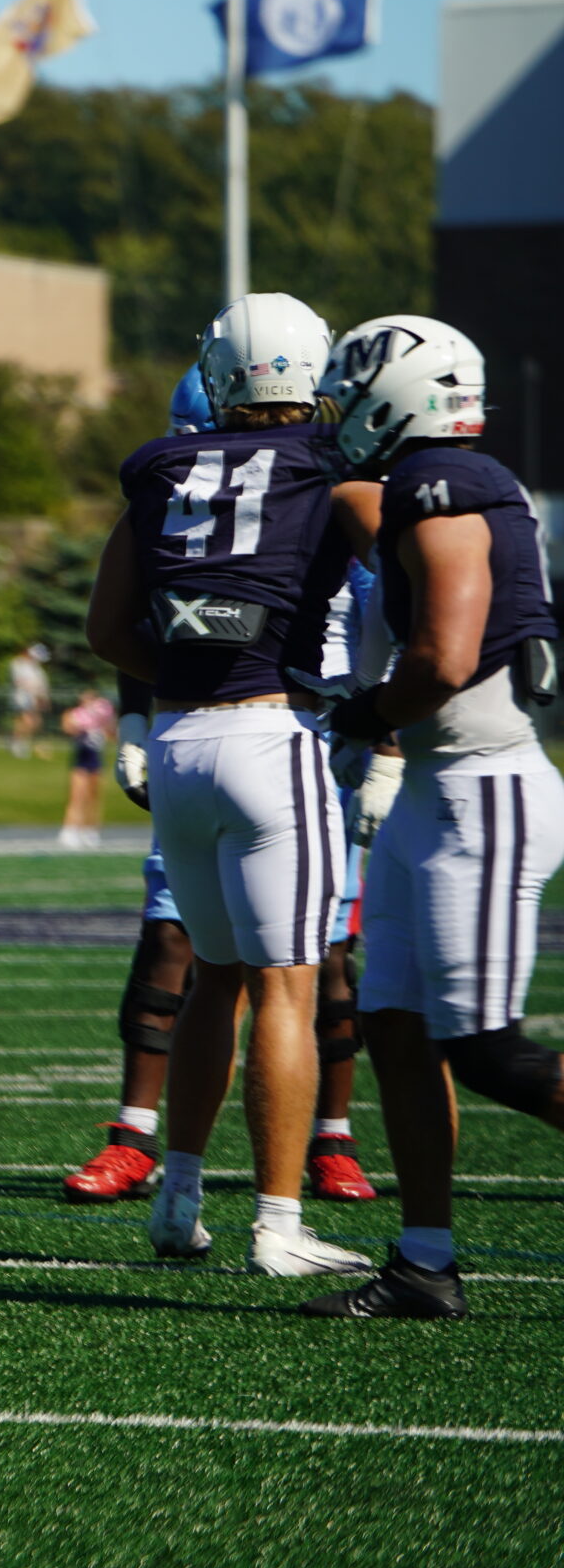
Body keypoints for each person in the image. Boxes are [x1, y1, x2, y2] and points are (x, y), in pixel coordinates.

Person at [85, 293, 378, 1275]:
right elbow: (401, 566)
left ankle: (177, 1199)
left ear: (217, 373)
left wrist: (181, 676)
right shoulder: (330, 465)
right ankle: (279, 1224)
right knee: (287, 987)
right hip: (271, 737)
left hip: (177, 744)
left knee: (214, 977)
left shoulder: (158, 469)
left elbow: (105, 627)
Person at [303, 315, 564, 1318]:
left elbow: (445, 658)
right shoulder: (437, 482)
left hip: (482, 789)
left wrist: (363, 714)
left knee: (485, 1047)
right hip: (437, 790)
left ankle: (426, 1262)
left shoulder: (442, 485)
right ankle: (423, 1263)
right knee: (397, 1026)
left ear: (390, 397)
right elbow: (361, 512)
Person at [57, 688, 114, 849]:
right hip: (81, 758)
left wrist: (102, 725)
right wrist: (82, 723)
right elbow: (68, 728)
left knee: (94, 796)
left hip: (96, 758)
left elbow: (111, 733)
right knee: (77, 795)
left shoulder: (101, 713)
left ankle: (90, 829)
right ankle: (70, 828)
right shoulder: (74, 714)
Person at [8, 643, 51, 757]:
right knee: (26, 721)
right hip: (22, 698)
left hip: (33, 699)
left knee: (34, 722)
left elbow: (42, 686)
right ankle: (17, 743)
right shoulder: (18, 663)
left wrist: (43, 698)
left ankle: (21, 742)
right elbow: (19, 681)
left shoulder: (37, 669)